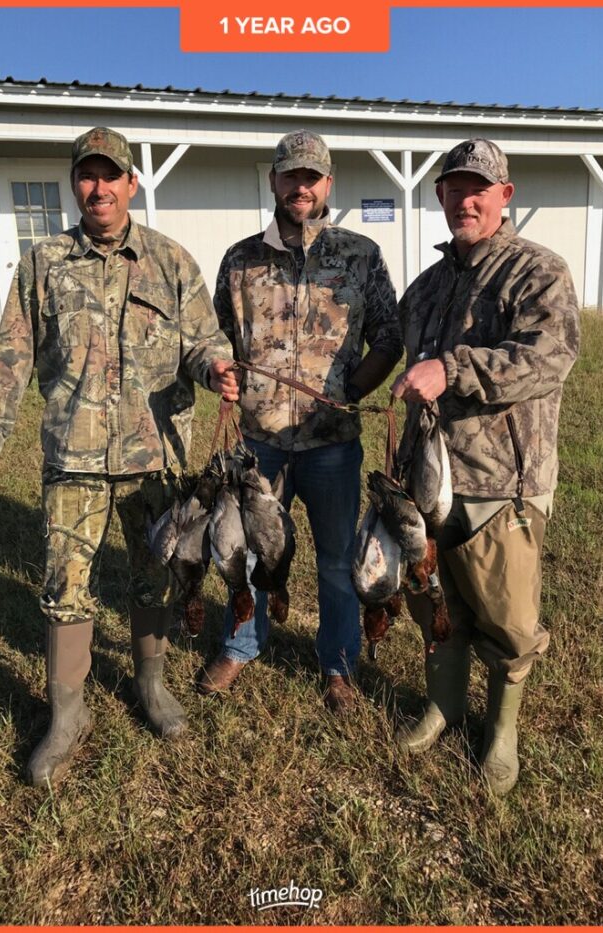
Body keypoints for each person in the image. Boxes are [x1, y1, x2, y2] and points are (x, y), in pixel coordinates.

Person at [0, 127, 238, 786]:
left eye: (110, 175)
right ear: (75, 184)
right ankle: (67, 714)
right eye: (87, 175)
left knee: (155, 576)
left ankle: (150, 684)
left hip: (155, 460)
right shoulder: (43, 263)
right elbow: (12, 356)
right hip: (74, 457)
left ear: (131, 184)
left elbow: (204, 341)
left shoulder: (171, 261)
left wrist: (219, 368)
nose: (98, 188)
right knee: (66, 587)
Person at [391, 138, 580, 794]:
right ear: (439, 195)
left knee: (507, 617)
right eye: (453, 187)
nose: (465, 198)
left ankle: (500, 731)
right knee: (434, 601)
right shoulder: (425, 287)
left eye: (480, 187)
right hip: (428, 477)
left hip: (504, 480)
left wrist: (453, 367)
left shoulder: (538, 272)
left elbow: (548, 357)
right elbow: (389, 352)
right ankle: (443, 704)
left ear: (505, 196)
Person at [199, 129, 402, 714]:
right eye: (291, 176)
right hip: (258, 442)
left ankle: (338, 665)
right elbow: (216, 337)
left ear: (329, 183)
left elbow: (389, 336)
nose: (301, 186)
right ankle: (243, 642)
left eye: (312, 177)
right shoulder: (240, 260)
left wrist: (349, 389)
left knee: (339, 559)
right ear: (274, 181)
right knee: (253, 552)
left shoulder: (360, 256)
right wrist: (219, 369)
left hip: (332, 445)